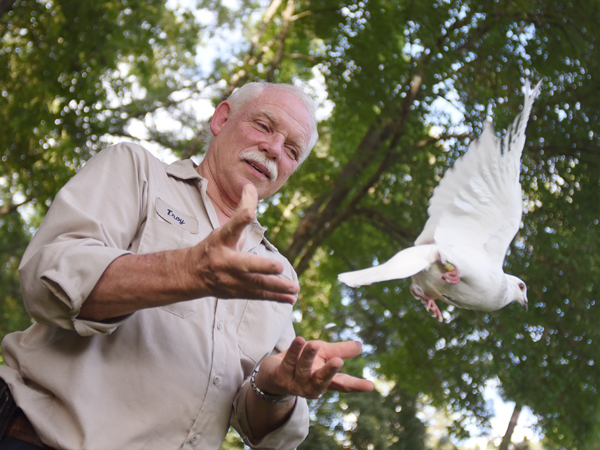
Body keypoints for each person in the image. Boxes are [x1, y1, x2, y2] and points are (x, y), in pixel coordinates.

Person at [0, 82, 374, 450]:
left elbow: (262, 429)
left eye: (292, 150)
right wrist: (185, 272)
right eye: (263, 125)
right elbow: (47, 278)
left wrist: (275, 386)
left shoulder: (277, 271)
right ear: (221, 118)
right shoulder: (137, 171)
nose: (274, 149)